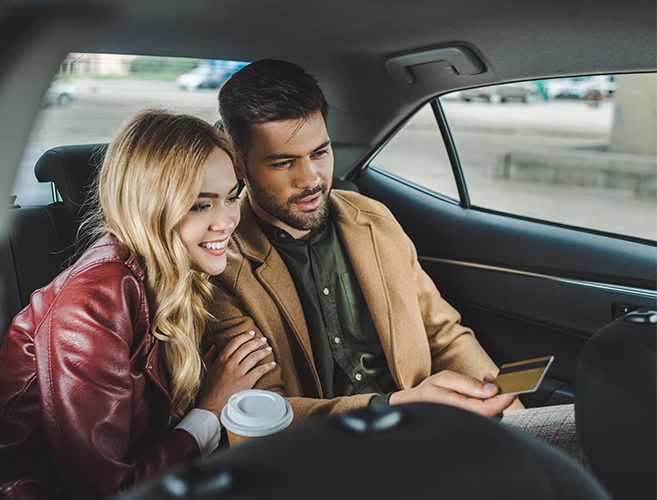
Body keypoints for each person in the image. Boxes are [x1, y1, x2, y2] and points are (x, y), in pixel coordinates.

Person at [0, 110, 275, 500]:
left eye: (232, 197)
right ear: (150, 207)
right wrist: (211, 411)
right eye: (201, 205)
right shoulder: (90, 307)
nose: (227, 220)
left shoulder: (176, 276)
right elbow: (110, 491)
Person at [208, 59, 524, 425]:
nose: (311, 179)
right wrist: (395, 406)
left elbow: (443, 334)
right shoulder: (222, 267)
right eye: (283, 163)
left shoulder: (374, 220)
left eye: (320, 153)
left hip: (431, 430)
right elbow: (261, 410)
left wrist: (515, 424)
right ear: (239, 165)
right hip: (327, 454)